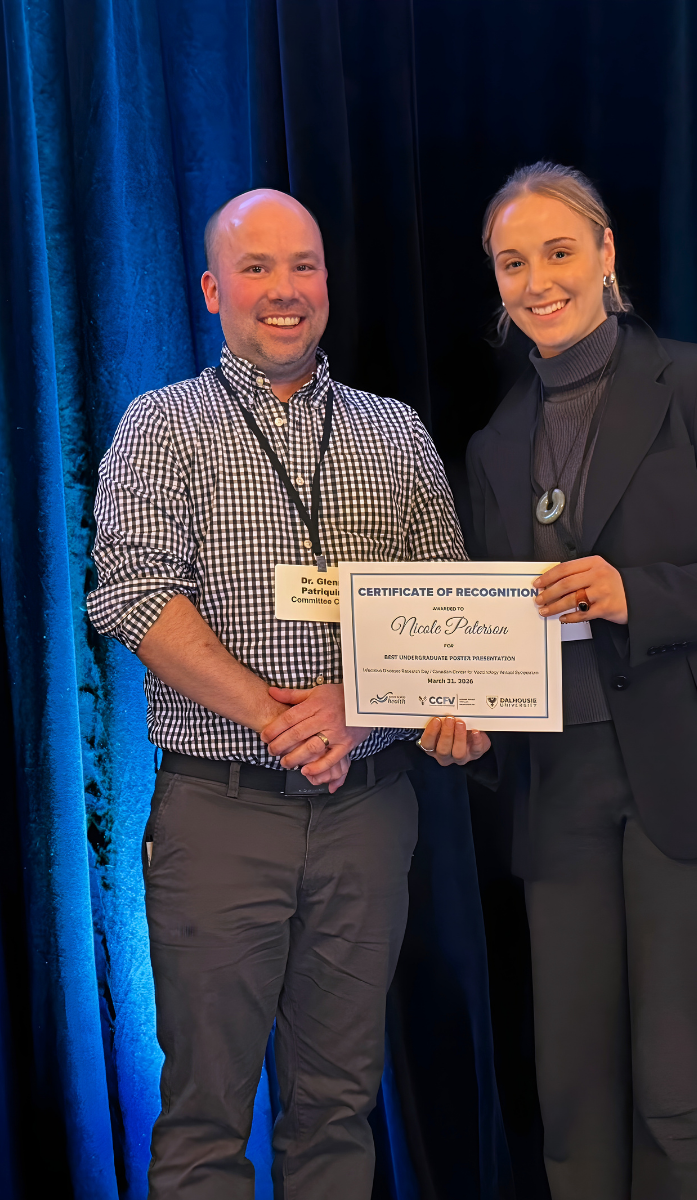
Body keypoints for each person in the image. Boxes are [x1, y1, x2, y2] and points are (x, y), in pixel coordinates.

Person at [418, 162, 697, 1200]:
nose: (536, 279)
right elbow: (498, 631)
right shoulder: (494, 443)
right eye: (513, 262)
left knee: (690, 1097)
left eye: (557, 251)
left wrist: (633, 591)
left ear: (604, 255)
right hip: (563, 794)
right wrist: (467, 722)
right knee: (576, 1104)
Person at [87, 189, 474, 1199]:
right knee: (206, 1116)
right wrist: (278, 716)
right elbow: (130, 592)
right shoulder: (162, 425)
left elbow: (452, 618)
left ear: (326, 286)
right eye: (255, 269)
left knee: (338, 1106)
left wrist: (382, 709)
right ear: (214, 290)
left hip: (366, 817)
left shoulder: (395, 434)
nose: (283, 290)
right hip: (219, 813)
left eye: (301, 266)